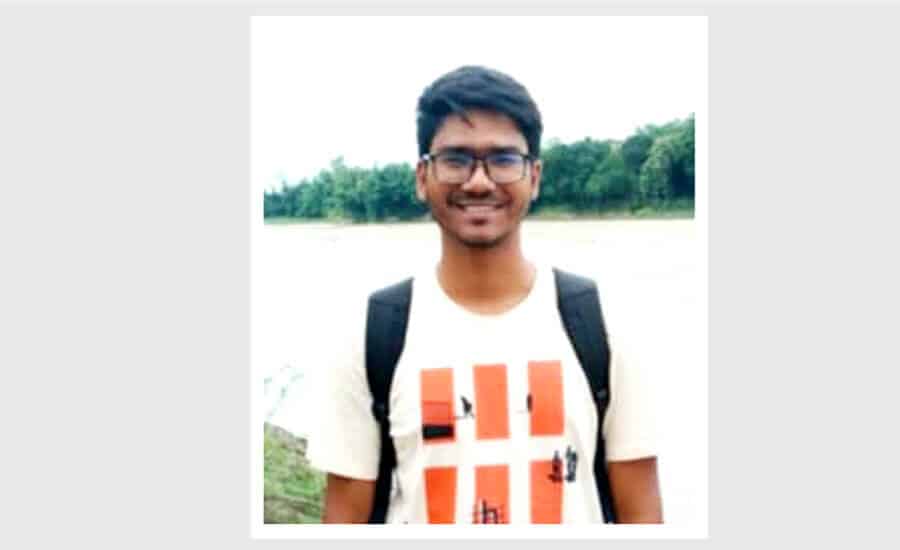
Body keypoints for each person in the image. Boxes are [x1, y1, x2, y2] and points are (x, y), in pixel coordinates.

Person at [307, 65, 662, 524]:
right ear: (422, 177)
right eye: (455, 159)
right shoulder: (372, 334)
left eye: (503, 159)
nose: (478, 181)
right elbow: (345, 519)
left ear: (535, 176)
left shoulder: (603, 324)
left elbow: (642, 516)